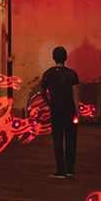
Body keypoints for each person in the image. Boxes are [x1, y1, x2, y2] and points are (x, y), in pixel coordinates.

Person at [40, 46, 81, 178]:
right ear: (66, 57)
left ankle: (60, 170)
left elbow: (42, 93)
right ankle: (70, 169)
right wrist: (78, 113)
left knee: (57, 140)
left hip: (55, 110)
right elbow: (75, 95)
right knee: (71, 139)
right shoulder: (72, 74)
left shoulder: (47, 74)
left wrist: (50, 102)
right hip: (69, 110)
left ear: (53, 57)